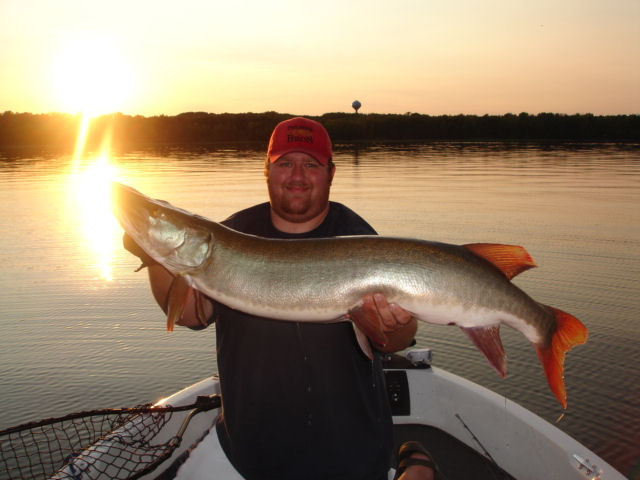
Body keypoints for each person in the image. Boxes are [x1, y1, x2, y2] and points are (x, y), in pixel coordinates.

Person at [125, 117, 438, 480]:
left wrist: (396, 328)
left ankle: (416, 466)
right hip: (248, 450)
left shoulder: (358, 237)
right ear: (267, 170)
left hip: (351, 452)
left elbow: (395, 339)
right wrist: (154, 254)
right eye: (285, 163)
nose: (297, 176)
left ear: (331, 173)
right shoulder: (234, 232)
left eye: (311, 164)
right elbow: (189, 314)